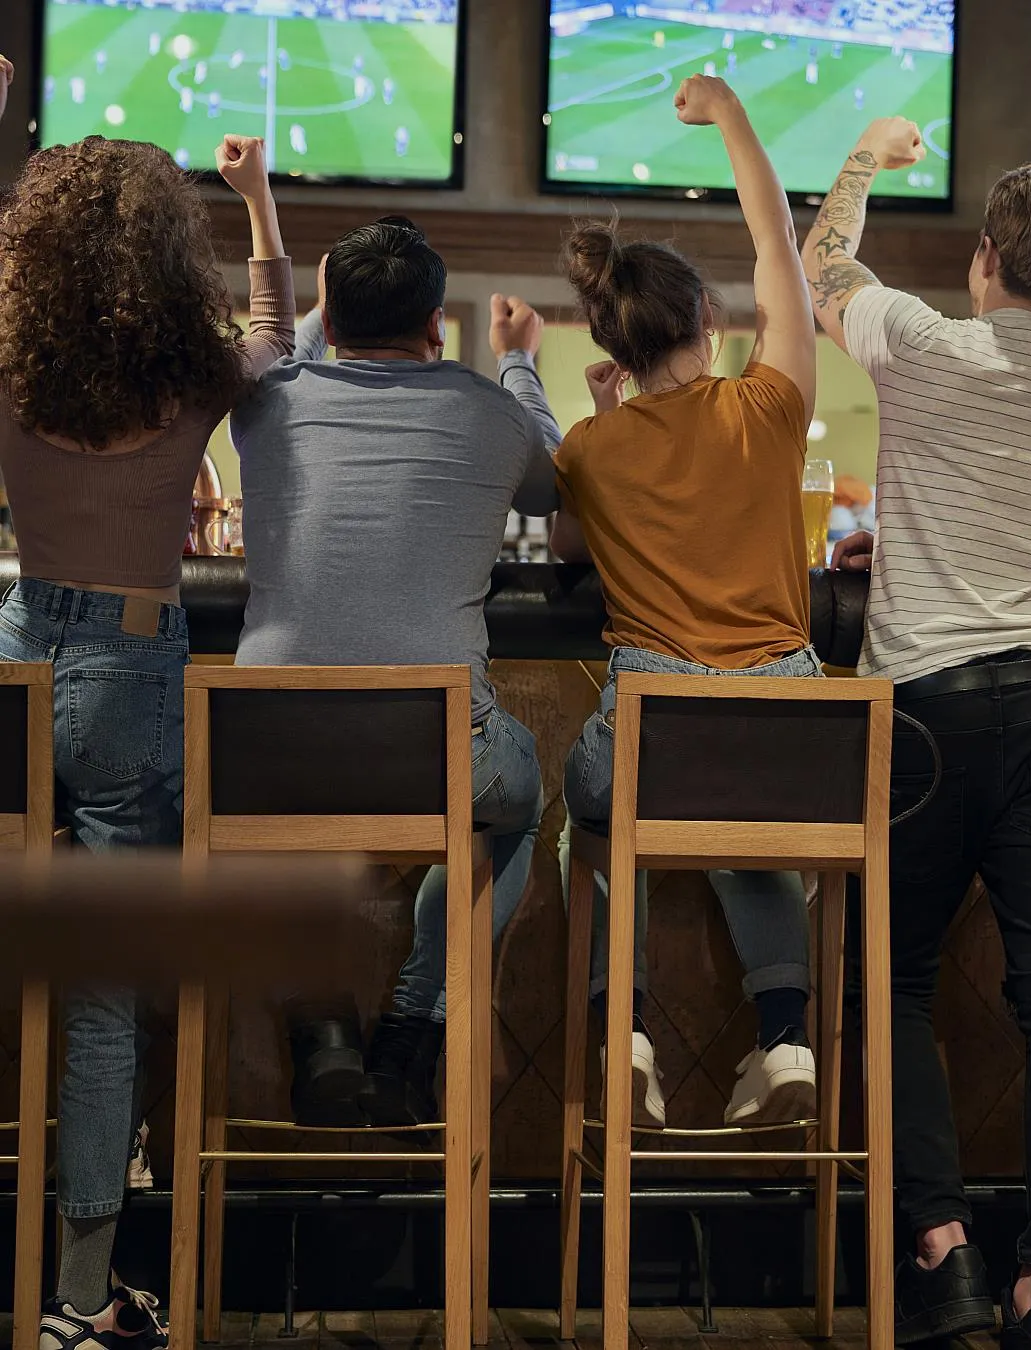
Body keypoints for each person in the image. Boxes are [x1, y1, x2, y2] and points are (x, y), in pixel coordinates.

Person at [0, 50, 294, 1347]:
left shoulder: (16, 364)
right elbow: (280, 332)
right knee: (106, 1002)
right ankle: (75, 1301)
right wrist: (259, 204)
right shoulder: (194, 379)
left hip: (13, 656)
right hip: (128, 670)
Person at [804, 119, 1031, 1350]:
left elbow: (824, 266)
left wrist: (864, 157)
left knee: (892, 979)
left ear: (982, 261)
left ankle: (945, 1253)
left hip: (922, 710)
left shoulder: (918, 340)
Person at [233, 217, 561, 1131]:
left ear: (328, 318)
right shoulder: (489, 409)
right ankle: (414, 1028)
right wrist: (520, 361)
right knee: (519, 794)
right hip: (439, 758)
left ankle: (323, 1032)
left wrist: (310, 304)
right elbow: (556, 483)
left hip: (268, 759)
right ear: (435, 328)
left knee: (265, 829)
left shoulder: (263, 405)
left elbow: (274, 353)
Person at [550, 73, 820, 1130]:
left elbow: (570, 546)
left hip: (650, 733)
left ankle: (626, 1027)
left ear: (610, 348)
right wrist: (734, 121)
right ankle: (787, 1038)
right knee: (748, 833)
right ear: (709, 318)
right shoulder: (769, 406)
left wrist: (599, 417)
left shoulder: (588, 449)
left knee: (592, 821)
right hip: (786, 732)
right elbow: (781, 256)